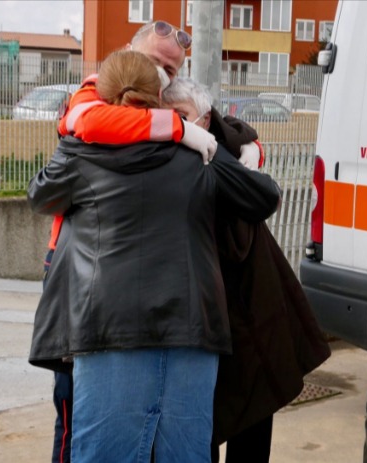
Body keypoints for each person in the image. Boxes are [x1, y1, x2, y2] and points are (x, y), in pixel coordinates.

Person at [28, 49, 281, 462]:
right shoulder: (200, 156)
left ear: (104, 98)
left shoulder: (80, 155)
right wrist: (242, 150)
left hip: (108, 332)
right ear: (158, 98)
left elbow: (40, 195)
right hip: (195, 334)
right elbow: (264, 196)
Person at [161, 78, 332, 463]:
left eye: (182, 116)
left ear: (204, 121)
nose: (175, 125)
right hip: (207, 320)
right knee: (205, 420)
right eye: (166, 116)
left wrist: (239, 153)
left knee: (251, 411)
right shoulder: (189, 153)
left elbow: (262, 196)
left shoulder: (221, 156)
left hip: (251, 311)